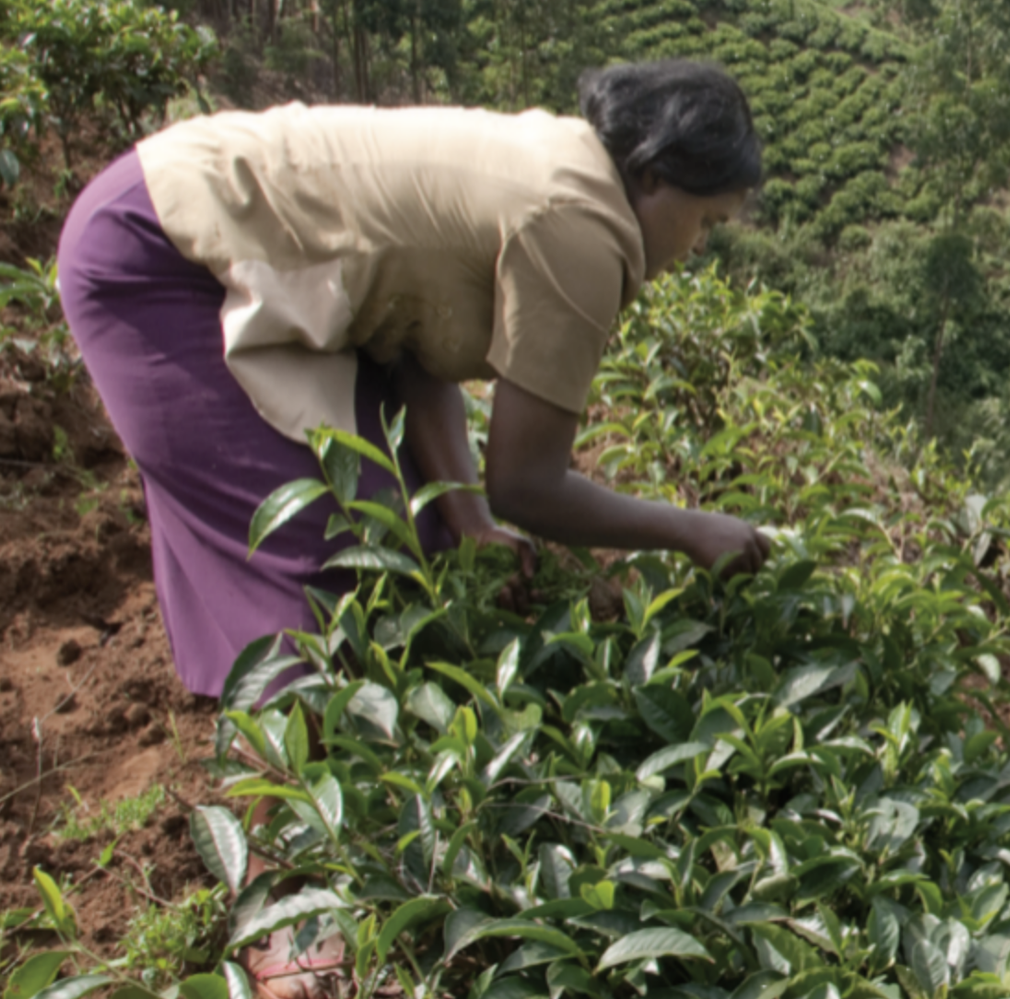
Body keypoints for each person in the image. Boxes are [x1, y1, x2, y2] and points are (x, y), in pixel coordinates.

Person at [58, 59, 774, 704]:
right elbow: (526, 482)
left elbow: (417, 345)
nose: (700, 245)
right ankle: (291, 785)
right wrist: (688, 528)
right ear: (654, 175)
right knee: (327, 540)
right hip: (161, 250)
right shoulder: (582, 227)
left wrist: (468, 524)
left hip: (203, 220)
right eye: (706, 219)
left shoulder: (570, 164)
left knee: (418, 524)